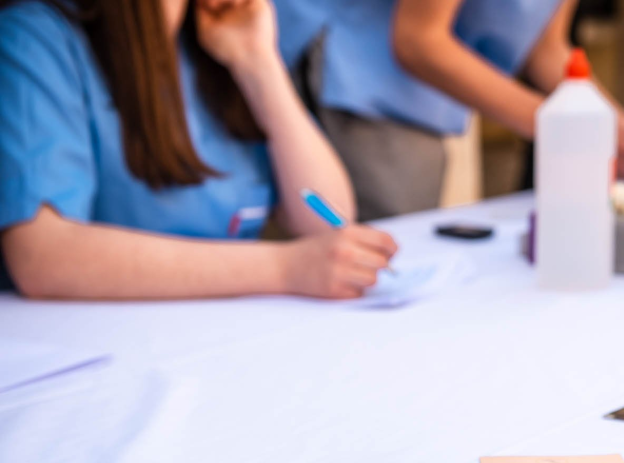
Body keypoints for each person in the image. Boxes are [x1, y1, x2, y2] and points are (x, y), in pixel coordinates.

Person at [0, 0, 397, 300]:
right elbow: (41, 256)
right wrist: (283, 268)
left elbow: (327, 219)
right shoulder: (37, 37)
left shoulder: (217, 44)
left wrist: (259, 63)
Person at [275, 0, 624, 221]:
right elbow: (417, 40)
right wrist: (564, 129)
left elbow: (548, 50)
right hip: (359, 65)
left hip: (413, 81)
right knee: (380, 250)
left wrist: (617, 128)